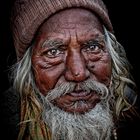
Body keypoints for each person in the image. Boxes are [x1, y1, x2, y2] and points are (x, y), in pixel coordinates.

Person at [0, 0, 139, 140]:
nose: (78, 73)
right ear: (27, 67)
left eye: (93, 47)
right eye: (53, 52)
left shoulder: (132, 111)